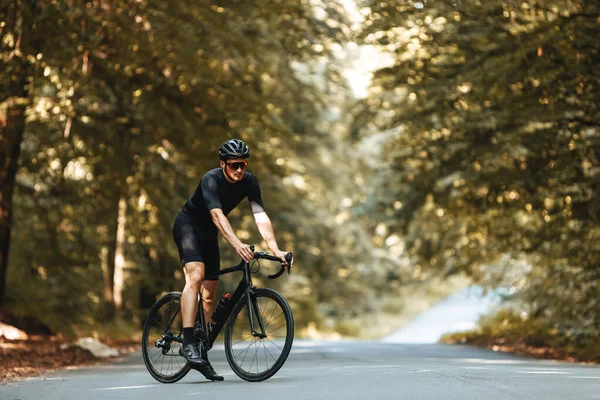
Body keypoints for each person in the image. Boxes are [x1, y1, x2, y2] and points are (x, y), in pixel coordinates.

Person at [172, 138, 293, 381]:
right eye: (235, 164)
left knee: (208, 294)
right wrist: (237, 244)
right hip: (189, 227)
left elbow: (261, 217)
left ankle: (202, 350)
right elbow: (216, 215)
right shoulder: (211, 179)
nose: (240, 169)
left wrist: (277, 249)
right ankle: (187, 343)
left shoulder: (249, 182)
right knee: (195, 276)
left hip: (209, 235)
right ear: (223, 164)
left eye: (244, 164)